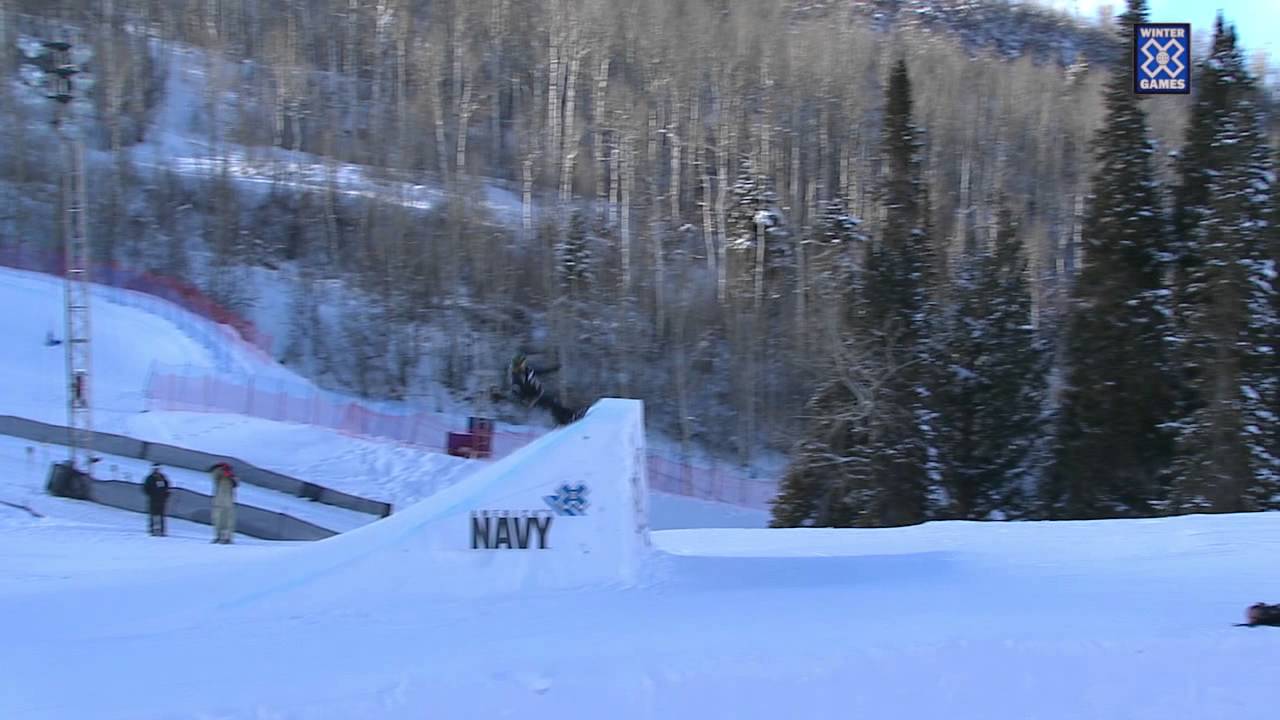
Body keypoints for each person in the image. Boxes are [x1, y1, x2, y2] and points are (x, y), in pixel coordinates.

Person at [509, 353, 584, 426]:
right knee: (551, 402)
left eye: (524, 361)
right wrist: (525, 400)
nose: (524, 363)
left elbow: (541, 371)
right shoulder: (517, 377)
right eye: (523, 362)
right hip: (532, 399)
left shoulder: (528, 370)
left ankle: (562, 420)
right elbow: (515, 392)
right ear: (518, 365)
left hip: (538, 394)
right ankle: (571, 416)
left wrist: (554, 368)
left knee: (553, 403)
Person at [208, 462, 238, 544]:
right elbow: (216, 476)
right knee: (218, 519)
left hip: (226, 500)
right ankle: (219, 536)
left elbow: (236, 483)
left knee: (227, 519)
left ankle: (226, 537)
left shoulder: (230, 477)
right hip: (220, 500)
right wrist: (223, 472)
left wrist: (230, 475)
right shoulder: (219, 476)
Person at [142, 463, 171, 536]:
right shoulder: (150, 478)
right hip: (153, 499)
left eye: (158, 469)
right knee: (153, 515)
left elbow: (167, 487)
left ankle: (162, 531)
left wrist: (166, 495)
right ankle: (152, 530)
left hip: (162, 500)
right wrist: (151, 494)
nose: (157, 470)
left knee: (161, 515)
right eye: (155, 469)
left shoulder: (163, 477)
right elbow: (145, 488)